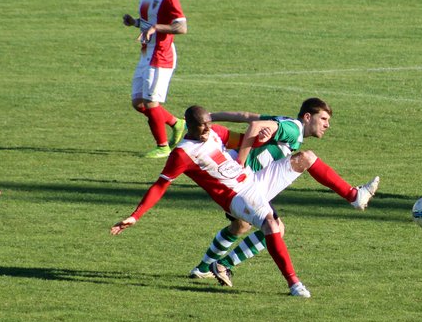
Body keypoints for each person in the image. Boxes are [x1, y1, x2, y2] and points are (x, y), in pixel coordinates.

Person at [110, 105, 316, 298]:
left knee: (244, 227)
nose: (207, 129)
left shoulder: (215, 132)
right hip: (234, 196)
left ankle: (204, 268)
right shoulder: (182, 154)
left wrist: (262, 138)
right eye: (202, 125)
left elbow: (243, 140)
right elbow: (160, 186)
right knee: (272, 226)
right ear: (189, 126)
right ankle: (292, 283)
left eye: (209, 123)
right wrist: (135, 216)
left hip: (247, 183)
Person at [188, 97, 380, 282]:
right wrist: (241, 161)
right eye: (323, 119)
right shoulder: (293, 129)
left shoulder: (283, 121)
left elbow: (245, 116)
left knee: (241, 226)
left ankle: (203, 268)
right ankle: (223, 265)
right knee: (275, 229)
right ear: (307, 117)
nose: (327, 125)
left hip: (234, 182)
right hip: (244, 183)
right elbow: (254, 125)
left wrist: (209, 117)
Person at [122, 0, 188, 159]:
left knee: (151, 103)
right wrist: (134, 22)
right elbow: (148, 23)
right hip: (146, 53)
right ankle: (176, 123)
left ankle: (163, 147)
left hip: (161, 55)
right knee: (138, 102)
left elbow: (182, 27)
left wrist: (156, 28)